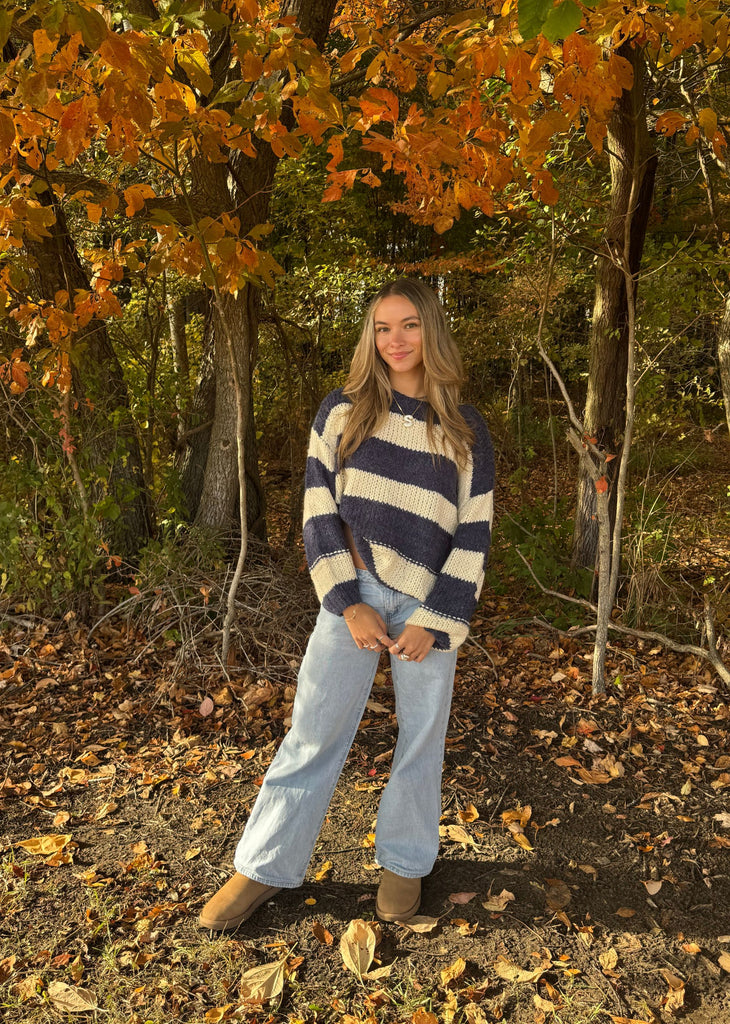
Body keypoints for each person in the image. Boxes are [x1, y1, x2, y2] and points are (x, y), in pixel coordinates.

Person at [199, 278, 495, 931]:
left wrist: (437, 620)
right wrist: (346, 600)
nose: (396, 340)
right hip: (354, 597)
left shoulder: (466, 430)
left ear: (432, 332)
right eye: (384, 327)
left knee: (422, 739)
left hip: (427, 609)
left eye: (410, 325)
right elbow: (317, 514)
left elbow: (474, 533)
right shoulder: (342, 411)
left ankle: (404, 864)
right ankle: (263, 866)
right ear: (371, 337)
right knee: (314, 730)